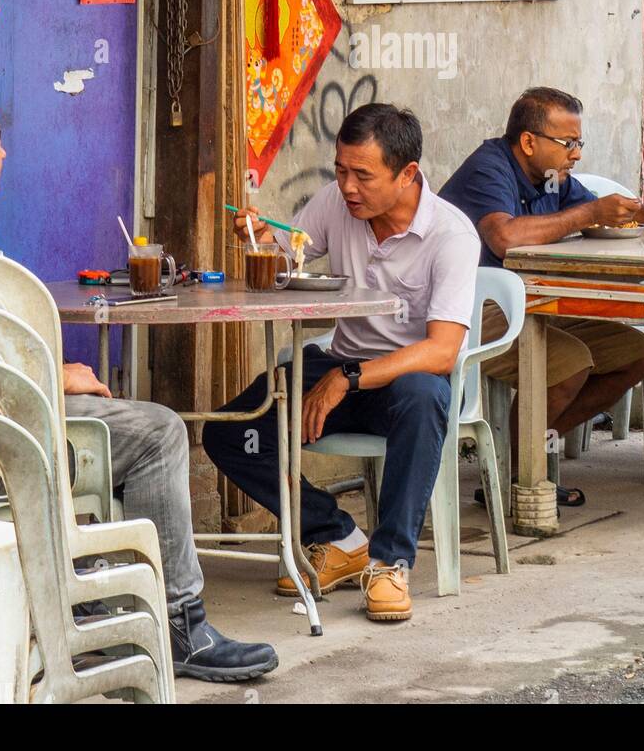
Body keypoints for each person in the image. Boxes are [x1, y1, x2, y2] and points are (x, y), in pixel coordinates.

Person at [0, 84, 277, 684]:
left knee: (107, 410)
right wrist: (55, 375)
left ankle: (96, 605)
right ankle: (178, 623)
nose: (3, 153)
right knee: (158, 432)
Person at [204, 103, 480, 623]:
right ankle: (338, 535)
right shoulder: (337, 203)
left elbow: (443, 351)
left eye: (363, 175)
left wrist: (347, 378)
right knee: (230, 432)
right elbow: (289, 254)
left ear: (408, 174)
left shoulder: (452, 235)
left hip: (403, 380)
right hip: (342, 366)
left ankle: (389, 561)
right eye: (340, 170)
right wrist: (260, 240)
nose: (348, 187)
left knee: (424, 398)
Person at [440, 87, 644, 507]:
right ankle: (519, 476)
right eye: (568, 143)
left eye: (580, 143)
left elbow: (607, 219)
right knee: (569, 363)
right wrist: (590, 214)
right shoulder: (489, 169)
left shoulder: (551, 177)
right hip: (468, 308)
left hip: (534, 305)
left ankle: (519, 456)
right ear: (528, 142)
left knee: (633, 353)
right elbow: (504, 238)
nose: (575, 154)